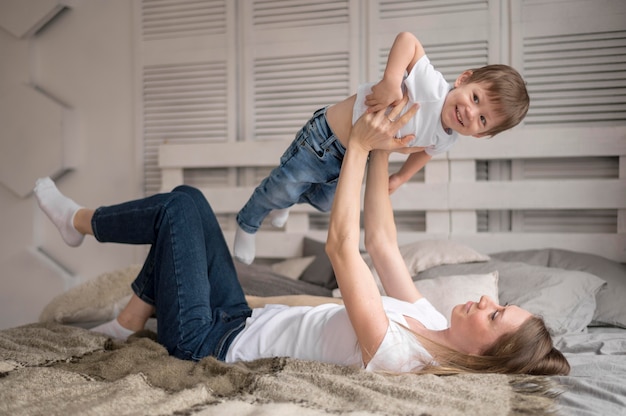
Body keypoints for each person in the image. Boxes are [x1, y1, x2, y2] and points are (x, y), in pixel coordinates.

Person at [34, 99, 568, 375]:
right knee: (192, 201)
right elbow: (380, 241)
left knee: (177, 210)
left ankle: (79, 222)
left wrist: (356, 147)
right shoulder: (429, 322)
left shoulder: (397, 355)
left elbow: (343, 248)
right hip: (239, 316)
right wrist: (383, 142)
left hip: (207, 344)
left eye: (494, 316)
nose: (483, 301)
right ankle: (129, 319)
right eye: (499, 305)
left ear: (482, 357)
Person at [233, 31, 530, 264]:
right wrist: (391, 80)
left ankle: (285, 203)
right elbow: (408, 41)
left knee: (323, 203)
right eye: (475, 98)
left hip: (352, 162)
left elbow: (425, 153)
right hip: (324, 139)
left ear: (480, 135)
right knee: (280, 188)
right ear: (464, 79)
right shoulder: (431, 87)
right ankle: (248, 223)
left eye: (481, 120)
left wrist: (401, 177)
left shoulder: (448, 137)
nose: (469, 112)